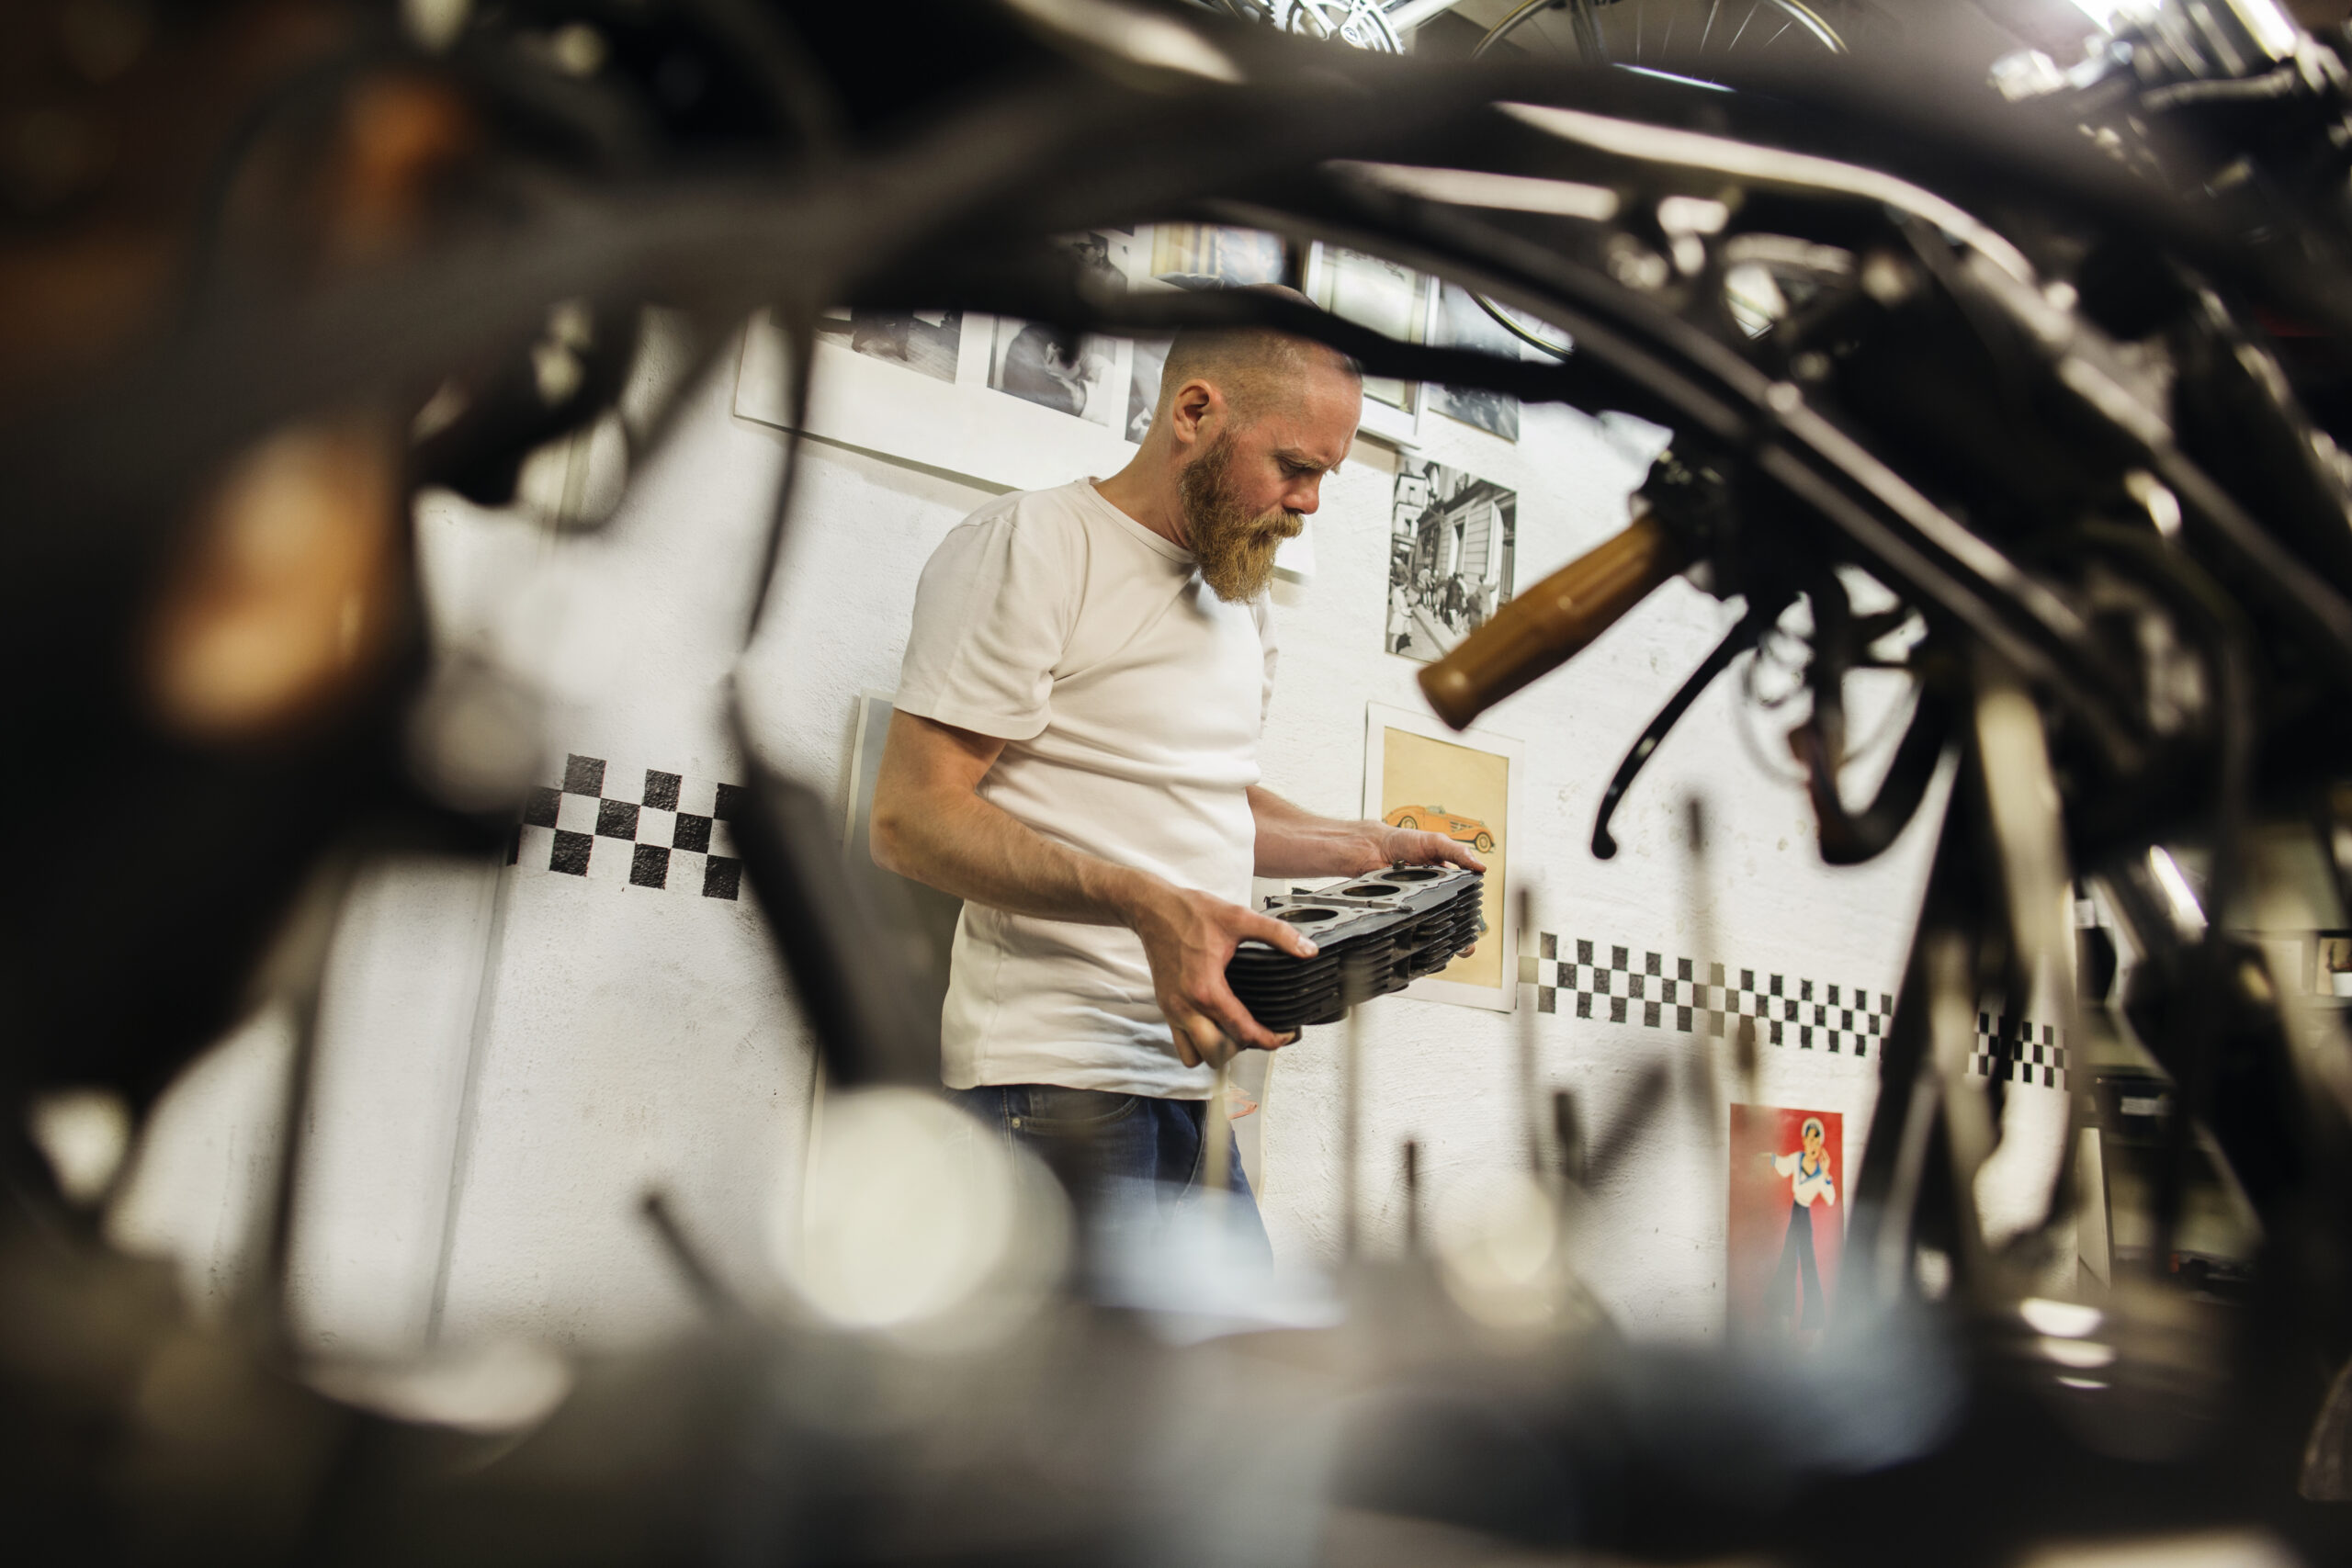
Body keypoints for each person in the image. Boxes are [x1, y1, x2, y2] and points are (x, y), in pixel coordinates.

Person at [870, 288, 1483, 1243]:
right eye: (1294, 466)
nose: (1309, 503)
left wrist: (1360, 848)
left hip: (1194, 1088)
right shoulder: (1034, 543)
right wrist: (1143, 901)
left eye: (1324, 475)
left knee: (1237, 1344)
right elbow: (911, 818)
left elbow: (1207, 800)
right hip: (1054, 1087)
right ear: (1194, 412)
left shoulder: (1240, 595)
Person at [1763, 1115, 1838, 1329]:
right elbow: (1780, 1163)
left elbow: (1831, 1198)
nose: (1813, 1144)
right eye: (1810, 1139)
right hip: (1795, 1211)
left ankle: (1813, 1318)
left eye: (1817, 1140)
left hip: (1805, 1216)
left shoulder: (1820, 1174)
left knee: (1808, 1263)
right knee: (1788, 1257)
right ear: (1804, 1140)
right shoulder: (1797, 1159)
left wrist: (1826, 1173)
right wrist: (1764, 1157)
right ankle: (1783, 1310)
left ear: (1821, 1144)